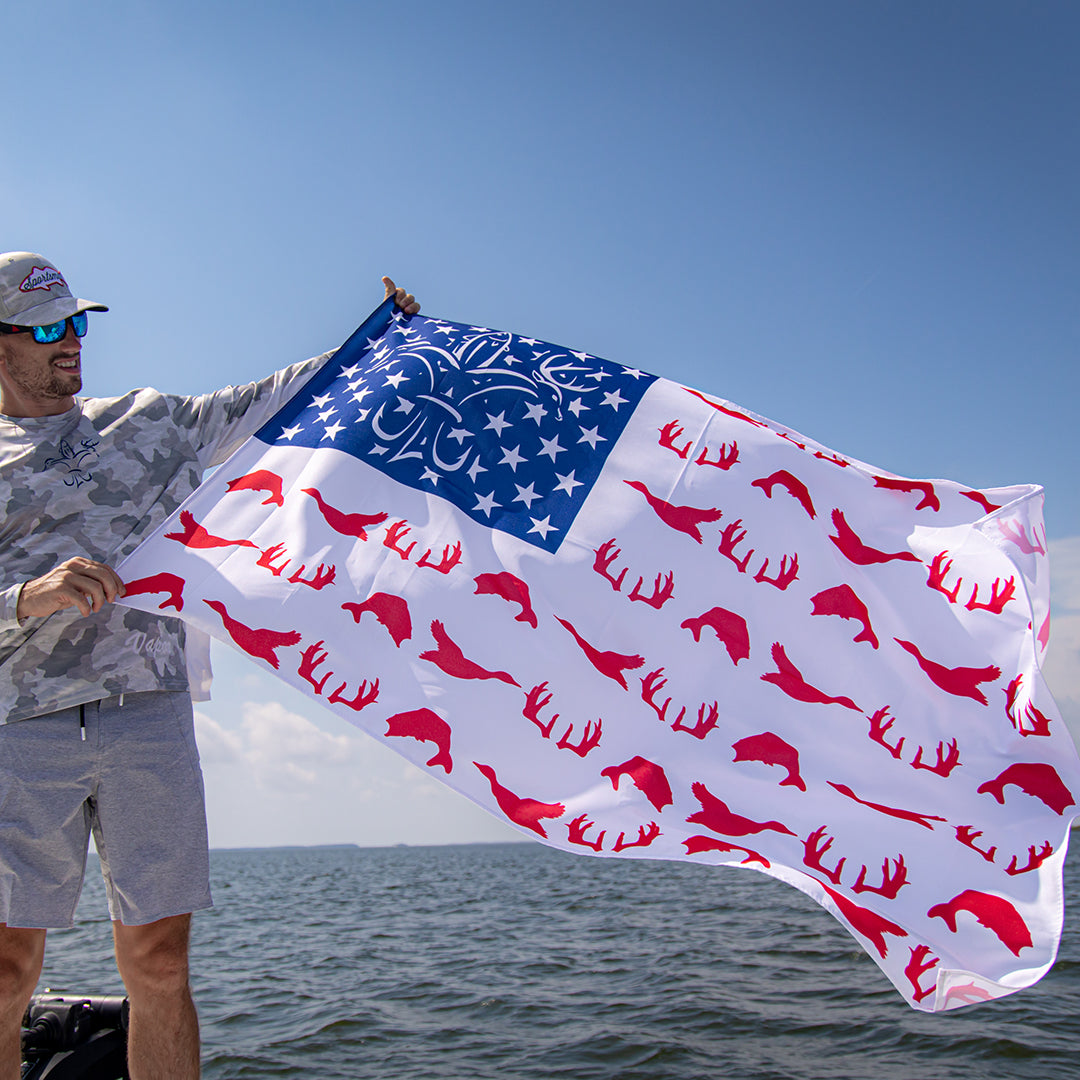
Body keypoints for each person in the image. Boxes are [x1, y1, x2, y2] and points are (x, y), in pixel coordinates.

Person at [0, 251, 418, 1079]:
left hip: (148, 715)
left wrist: (378, 344)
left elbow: (271, 401)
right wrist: (25, 597)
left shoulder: (149, 420)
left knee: (159, 961)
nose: (72, 342)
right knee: (6, 968)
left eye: (78, 322)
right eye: (49, 328)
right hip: (21, 729)